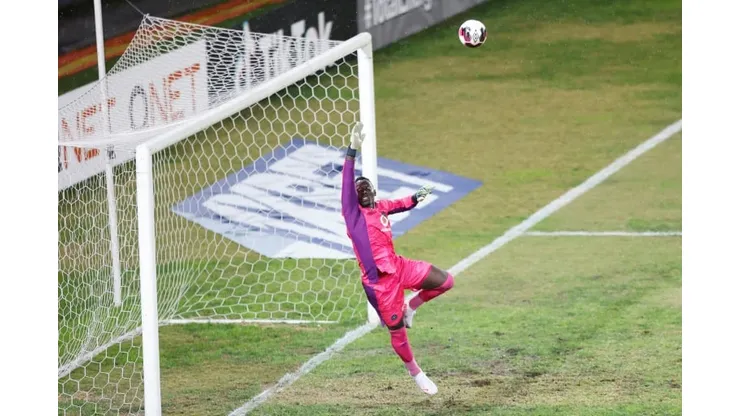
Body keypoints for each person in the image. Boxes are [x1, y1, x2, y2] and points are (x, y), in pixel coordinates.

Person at [340, 122, 455, 395]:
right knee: (397, 330)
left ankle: (411, 306)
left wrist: (419, 195)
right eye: (358, 189)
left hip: (399, 266)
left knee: (446, 281)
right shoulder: (353, 215)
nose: (361, 190)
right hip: (380, 285)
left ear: (374, 192)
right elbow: (347, 182)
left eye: (365, 186)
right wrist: (352, 150)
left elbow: (404, 203)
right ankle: (416, 373)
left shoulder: (381, 207)